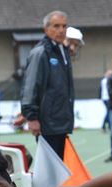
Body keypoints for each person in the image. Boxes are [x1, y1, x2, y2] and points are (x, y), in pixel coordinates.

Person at [21, 10, 74, 160]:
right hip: (47, 124)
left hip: (61, 122)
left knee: (59, 171)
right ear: (46, 29)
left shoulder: (63, 51)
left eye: (64, 26)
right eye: (56, 26)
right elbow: (30, 86)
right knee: (49, 172)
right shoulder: (41, 52)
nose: (61, 30)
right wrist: (31, 117)